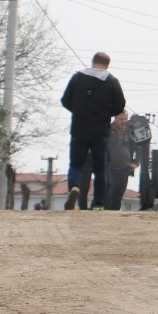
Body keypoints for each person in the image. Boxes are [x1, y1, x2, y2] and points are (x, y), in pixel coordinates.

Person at [59, 51, 126, 210]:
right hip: (100, 130)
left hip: (79, 128)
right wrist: (106, 113)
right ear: (107, 65)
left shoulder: (77, 78)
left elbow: (65, 100)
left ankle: (74, 187)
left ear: (92, 61)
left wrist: (78, 111)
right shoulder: (112, 82)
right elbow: (120, 106)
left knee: (75, 164)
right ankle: (97, 203)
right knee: (100, 169)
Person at [103, 111, 147, 211]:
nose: (123, 121)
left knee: (118, 197)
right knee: (108, 196)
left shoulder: (130, 131)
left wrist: (136, 163)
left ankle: (114, 220)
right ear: (115, 118)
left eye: (125, 119)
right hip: (109, 168)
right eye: (121, 119)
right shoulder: (108, 129)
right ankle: (105, 217)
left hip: (124, 169)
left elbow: (138, 148)